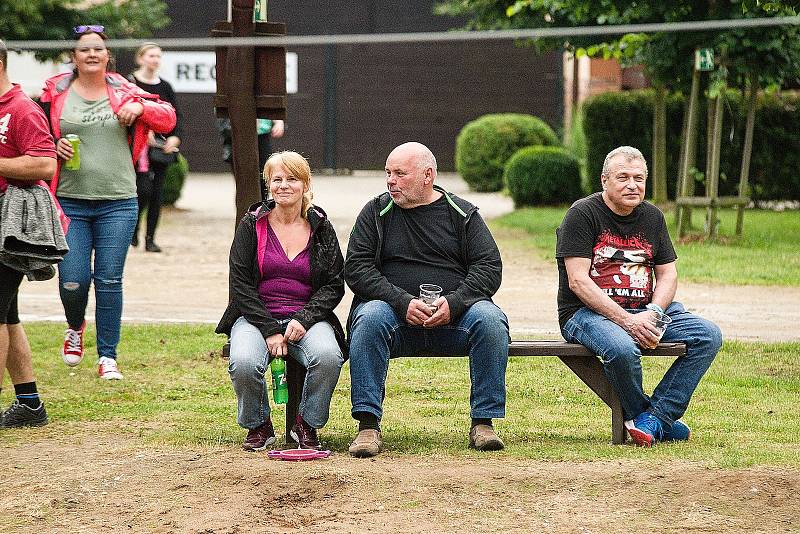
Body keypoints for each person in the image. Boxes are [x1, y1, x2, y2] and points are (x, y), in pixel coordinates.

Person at [345, 142, 509, 458]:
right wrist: (400, 301)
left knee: (490, 319)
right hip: (394, 319)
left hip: (454, 321)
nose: (390, 181)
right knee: (369, 316)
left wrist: (456, 303)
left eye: (400, 174)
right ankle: (367, 426)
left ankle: (483, 423)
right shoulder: (375, 213)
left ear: (427, 175)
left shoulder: (463, 214)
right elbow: (357, 268)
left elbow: (489, 267)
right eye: (388, 173)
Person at [556, 145, 722, 447]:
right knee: (621, 347)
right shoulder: (581, 214)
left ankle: (657, 418)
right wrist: (628, 322)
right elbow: (578, 281)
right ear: (604, 181)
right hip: (586, 314)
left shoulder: (653, 217)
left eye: (639, 178)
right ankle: (644, 414)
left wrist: (654, 313)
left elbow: (668, 274)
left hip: (645, 311)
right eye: (623, 177)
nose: (633, 185)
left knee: (707, 335)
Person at [39, 25, 176, 380]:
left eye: (98, 49)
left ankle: (108, 357)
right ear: (74, 56)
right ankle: (75, 326)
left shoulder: (124, 89)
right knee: (73, 279)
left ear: (107, 55)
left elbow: (168, 117)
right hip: (70, 201)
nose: (92, 54)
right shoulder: (55, 90)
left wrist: (139, 106)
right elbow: (37, 131)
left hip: (118, 200)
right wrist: (53, 146)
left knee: (109, 279)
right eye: (84, 49)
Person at [216, 151, 346, 451]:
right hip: (256, 316)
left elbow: (334, 284)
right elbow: (240, 284)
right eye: (277, 179)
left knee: (328, 356)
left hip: (307, 318)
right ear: (268, 185)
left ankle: (306, 424)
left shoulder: (321, 227)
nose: (284, 185)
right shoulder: (252, 225)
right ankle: (259, 424)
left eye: (292, 179)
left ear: (305, 184)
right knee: (244, 362)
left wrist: (304, 319)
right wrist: (269, 329)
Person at [0, 39, 59, 427]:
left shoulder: (21, 108)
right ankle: (30, 403)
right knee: (8, 316)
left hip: (8, 227)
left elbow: (45, 165)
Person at [129, 42, 184, 253]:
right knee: (141, 191)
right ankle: (133, 231)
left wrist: (175, 138)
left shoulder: (165, 87)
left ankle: (150, 238)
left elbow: (176, 115)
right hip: (137, 149)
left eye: (158, 56)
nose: (155, 60)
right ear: (141, 58)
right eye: (151, 55)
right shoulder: (130, 82)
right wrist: (144, 133)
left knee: (157, 194)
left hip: (161, 149)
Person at [218, 117, 285, 200]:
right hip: (238, 133)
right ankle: (246, 208)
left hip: (261, 133)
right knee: (243, 179)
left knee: (264, 174)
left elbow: (273, 105)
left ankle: (261, 207)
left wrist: (278, 120)